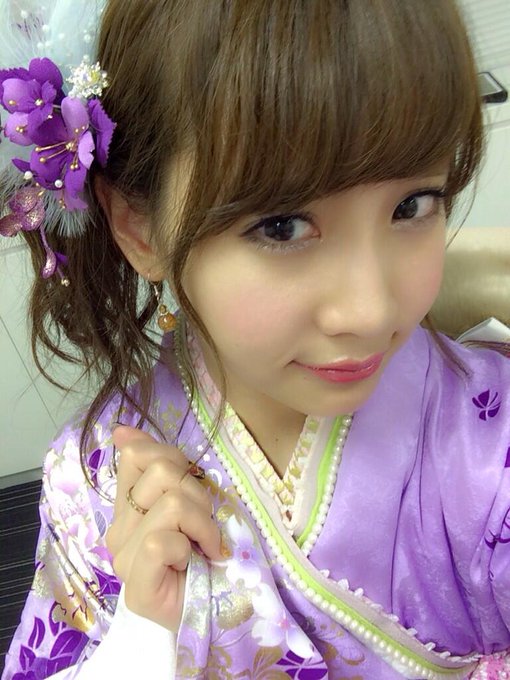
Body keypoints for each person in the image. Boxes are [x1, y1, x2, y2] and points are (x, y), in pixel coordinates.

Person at [1, 0, 509, 678]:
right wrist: (140, 641)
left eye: (412, 205)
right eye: (282, 226)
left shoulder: (490, 454)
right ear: (140, 227)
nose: (369, 311)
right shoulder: (94, 482)